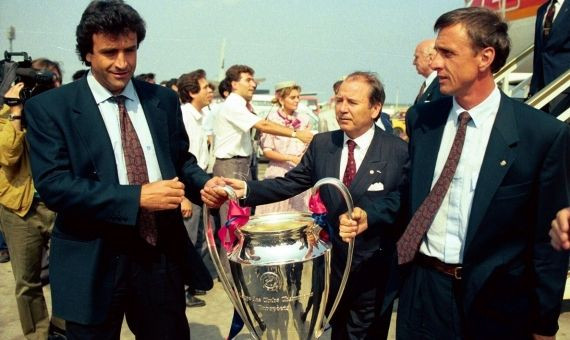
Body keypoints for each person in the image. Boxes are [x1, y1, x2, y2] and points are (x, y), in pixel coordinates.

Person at [343, 7, 569, 339]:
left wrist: (544, 324)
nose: (435, 64)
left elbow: (547, 241)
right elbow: (414, 194)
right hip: (424, 293)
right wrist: (371, 214)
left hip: (496, 302)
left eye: (447, 53)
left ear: (485, 57)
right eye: (436, 53)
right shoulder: (424, 120)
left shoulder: (540, 134)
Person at [24, 1, 225, 338]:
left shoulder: (161, 99)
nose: (122, 62)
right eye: (110, 52)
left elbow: (179, 161)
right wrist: (137, 198)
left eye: (130, 50)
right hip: (92, 259)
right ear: (87, 53)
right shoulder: (51, 108)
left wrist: (203, 183)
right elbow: (54, 186)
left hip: (158, 256)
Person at [226, 71, 409, 339]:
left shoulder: (397, 150)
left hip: (374, 267)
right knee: (336, 329)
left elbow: (404, 200)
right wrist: (245, 190)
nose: (343, 109)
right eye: (339, 100)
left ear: (375, 108)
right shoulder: (324, 144)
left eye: (352, 102)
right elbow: (291, 182)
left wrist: (371, 215)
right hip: (332, 266)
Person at [0, 62, 66, 339]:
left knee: (67, 276)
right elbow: (7, 156)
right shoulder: (5, 114)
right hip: (20, 207)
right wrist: (16, 113)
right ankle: (38, 335)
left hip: (60, 204)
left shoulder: (62, 114)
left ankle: (62, 330)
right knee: (27, 283)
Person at [213, 64, 313, 227]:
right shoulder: (233, 105)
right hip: (232, 165)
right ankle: (230, 253)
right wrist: (296, 134)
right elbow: (264, 126)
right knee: (233, 222)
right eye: (248, 80)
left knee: (242, 219)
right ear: (234, 84)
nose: (253, 84)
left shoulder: (243, 105)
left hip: (243, 164)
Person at [177, 69, 214, 308]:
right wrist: (183, 197)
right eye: (206, 87)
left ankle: (189, 286)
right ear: (192, 92)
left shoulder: (199, 117)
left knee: (198, 238)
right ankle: (180, 291)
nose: (211, 90)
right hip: (187, 188)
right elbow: (178, 160)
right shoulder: (185, 118)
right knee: (187, 242)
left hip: (198, 183)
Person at [255, 81, 312, 215]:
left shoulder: (304, 119)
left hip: (299, 172)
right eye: (292, 97)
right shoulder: (271, 120)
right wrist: (291, 158)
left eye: (298, 97)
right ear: (281, 99)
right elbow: (267, 151)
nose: (297, 100)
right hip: (278, 172)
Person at [529, 0, 570, 116]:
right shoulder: (542, 10)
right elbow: (539, 50)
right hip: (540, 86)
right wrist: (534, 85)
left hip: (563, 85)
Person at [412, 38, 443, 105]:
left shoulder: (441, 86)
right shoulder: (429, 84)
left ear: (430, 59)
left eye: (417, 57)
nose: (413, 62)